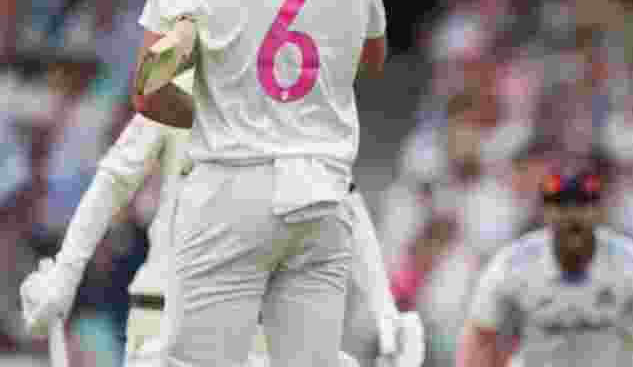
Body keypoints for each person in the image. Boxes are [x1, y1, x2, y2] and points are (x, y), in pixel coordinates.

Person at [128, 0, 389, 364]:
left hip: (229, 186)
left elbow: (147, 90)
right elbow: (371, 61)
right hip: (321, 191)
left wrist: (225, 110)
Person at [21, 71, 419, 367]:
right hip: (166, 314)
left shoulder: (300, 101)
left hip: (263, 322)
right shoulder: (183, 88)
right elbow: (115, 177)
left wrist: (385, 310)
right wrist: (65, 274)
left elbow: (344, 200)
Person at [457, 165, 633, 367]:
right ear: (545, 213)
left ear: (599, 211)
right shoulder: (512, 266)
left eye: (582, 206)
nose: (571, 217)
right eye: (560, 206)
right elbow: (479, 335)